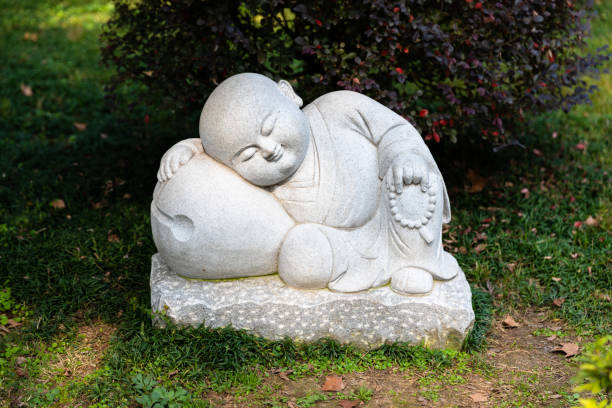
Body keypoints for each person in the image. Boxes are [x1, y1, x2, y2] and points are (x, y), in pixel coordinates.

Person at [157, 73, 459, 294]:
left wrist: (403, 155)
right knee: (302, 258)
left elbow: (393, 129)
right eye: (248, 154)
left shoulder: (338, 108)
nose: (268, 148)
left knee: (412, 177)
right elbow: (216, 157)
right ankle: (367, 267)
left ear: (288, 95)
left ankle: (414, 262)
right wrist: (190, 148)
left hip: (388, 218)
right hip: (348, 244)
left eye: (270, 127)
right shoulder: (265, 187)